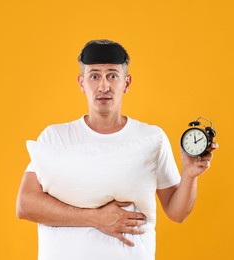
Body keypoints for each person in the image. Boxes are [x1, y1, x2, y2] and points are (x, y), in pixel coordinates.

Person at [16, 39, 218, 260]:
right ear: (81, 82)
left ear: (127, 82)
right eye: (94, 76)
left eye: (112, 75)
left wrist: (189, 175)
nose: (104, 86)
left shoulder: (151, 137)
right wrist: (96, 218)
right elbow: (26, 205)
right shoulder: (55, 137)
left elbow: (177, 213)